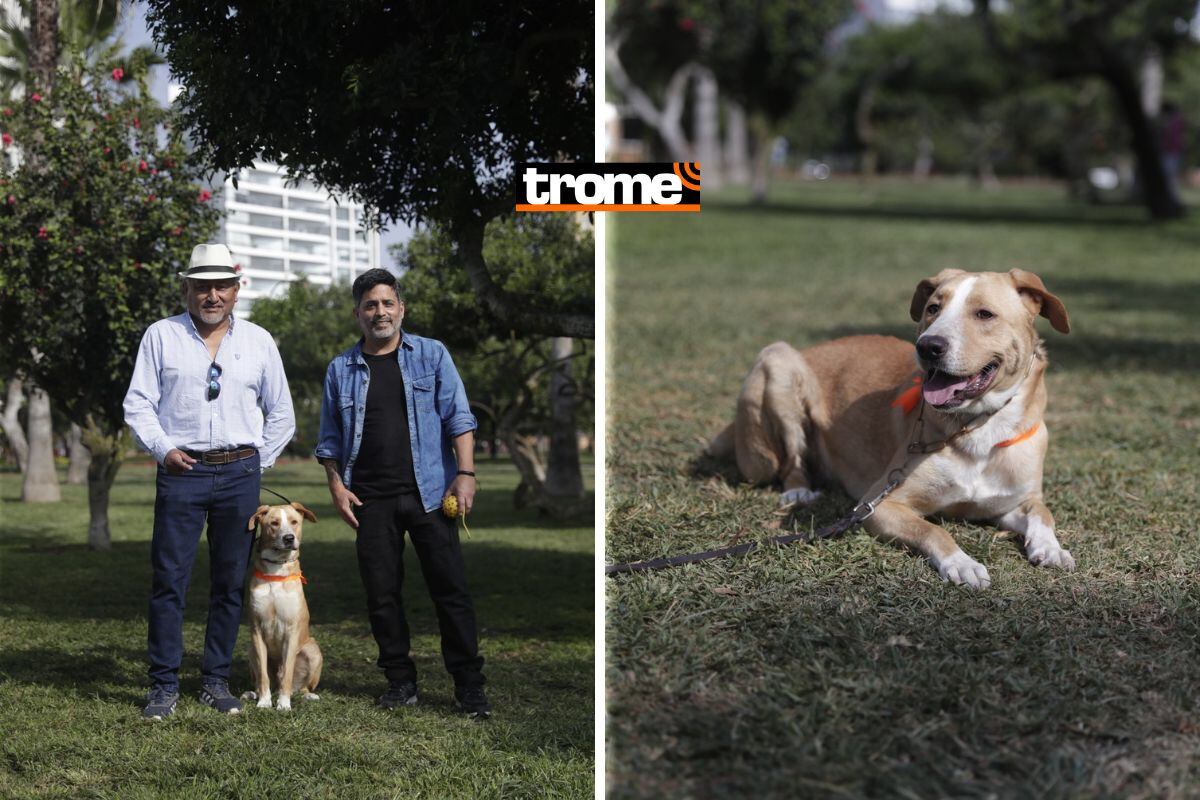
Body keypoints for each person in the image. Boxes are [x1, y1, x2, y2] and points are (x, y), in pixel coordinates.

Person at [123, 243, 295, 720]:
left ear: (237, 290)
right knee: (169, 579)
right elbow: (138, 403)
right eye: (202, 286)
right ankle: (163, 684)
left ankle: (216, 681)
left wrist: (256, 462)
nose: (212, 295)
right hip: (182, 473)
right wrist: (163, 449)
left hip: (240, 472)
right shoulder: (161, 336)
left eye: (221, 285)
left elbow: (282, 412)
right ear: (187, 289)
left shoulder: (260, 341)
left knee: (227, 583)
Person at [314, 268, 489, 718]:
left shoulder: (431, 355)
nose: (380, 312)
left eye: (387, 303)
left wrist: (465, 473)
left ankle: (469, 687)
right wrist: (335, 486)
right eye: (371, 305)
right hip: (370, 500)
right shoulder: (340, 369)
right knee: (382, 594)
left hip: (431, 494)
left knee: (450, 592)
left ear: (401, 309)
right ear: (358, 314)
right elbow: (330, 439)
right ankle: (400, 681)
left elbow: (459, 417)